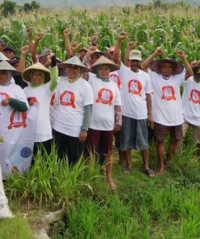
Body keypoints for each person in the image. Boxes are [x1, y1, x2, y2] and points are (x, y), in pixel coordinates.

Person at [143, 48, 191, 175]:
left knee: (176, 140)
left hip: (176, 117)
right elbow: (143, 66)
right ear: (160, 68)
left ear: (173, 69)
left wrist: (184, 58)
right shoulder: (154, 76)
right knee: (161, 142)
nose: (167, 69)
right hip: (160, 117)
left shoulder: (177, 78)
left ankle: (168, 160)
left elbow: (190, 73)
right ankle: (161, 166)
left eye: (170, 67)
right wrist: (154, 54)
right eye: (164, 66)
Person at [112, 33, 154, 176]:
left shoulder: (145, 76)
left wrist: (150, 115)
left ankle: (146, 166)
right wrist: (119, 41)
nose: (135, 64)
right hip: (127, 113)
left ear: (140, 61)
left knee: (144, 143)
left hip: (141, 113)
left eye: (137, 61)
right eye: (133, 61)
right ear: (129, 61)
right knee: (127, 140)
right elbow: (116, 57)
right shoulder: (124, 72)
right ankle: (129, 165)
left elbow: (148, 96)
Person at [85, 56, 122, 190]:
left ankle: (109, 178)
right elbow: (84, 69)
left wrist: (118, 122)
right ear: (97, 70)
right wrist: (88, 54)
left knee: (108, 152)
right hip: (93, 124)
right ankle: (91, 177)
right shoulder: (92, 80)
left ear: (110, 70)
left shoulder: (114, 85)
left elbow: (118, 105)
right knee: (91, 152)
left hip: (107, 124)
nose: (104, 71)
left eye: (106, 69)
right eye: (101, 69)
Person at [51, 56, 94, 165]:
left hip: (75, 129)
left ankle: (71, 180)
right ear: (65, 68)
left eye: (75, 68)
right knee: (57, 156)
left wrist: (84, 129)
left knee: (73, 159)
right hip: (58, 127)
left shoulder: (85, 86)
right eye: (69, 67)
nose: (72, 70)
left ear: (79, 70)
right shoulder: (60, 81)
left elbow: (88, 109)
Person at [20, 54, 59, 160]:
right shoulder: (25, 91)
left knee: (45, 160)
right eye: (34, 75)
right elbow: (21, 106)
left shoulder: (47, 89)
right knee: (29, 160)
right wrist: (27, 102)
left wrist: (54, 63)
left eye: (39, 75)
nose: (37, 77)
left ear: (43, 77)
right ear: (31, 76)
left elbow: (55, 80)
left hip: (43, 131)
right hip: (28, 130)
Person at [182, 63, 200, 160]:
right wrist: (189, 64)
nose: (198, 78)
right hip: (185, 114)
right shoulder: (187, 81)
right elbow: (184, 73)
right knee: (179, 137)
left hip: (199, 116)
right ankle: (177, 158)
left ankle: (199, 161)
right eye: (196, 76)